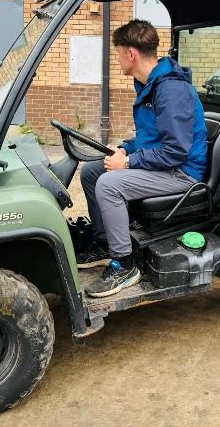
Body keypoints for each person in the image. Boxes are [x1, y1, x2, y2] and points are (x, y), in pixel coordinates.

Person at [77, 19, 208, 298]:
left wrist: (127, 163)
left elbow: (175, 151)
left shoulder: (171, 90)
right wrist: (125, 147)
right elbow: (153, 137)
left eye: (118, 53)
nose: (117, 59)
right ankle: (104, 243)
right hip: (166, 164)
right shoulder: (150, 84)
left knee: (109, 184)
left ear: (131, 54)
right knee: (92, 172)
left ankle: (124, 266)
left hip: (182, 172)